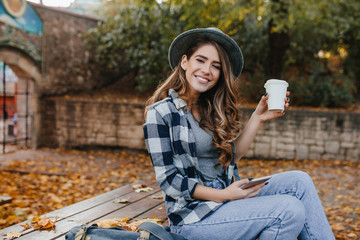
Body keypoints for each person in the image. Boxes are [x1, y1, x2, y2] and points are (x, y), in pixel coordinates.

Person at [143, 27, 335, 240]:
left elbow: (229, 157)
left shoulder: (209, 109)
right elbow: (169, 181)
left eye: (216, 66)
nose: (207, 70)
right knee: (288, 210)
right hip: (193, 217)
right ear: (185, 62)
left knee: (300, 181)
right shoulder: (160, 113)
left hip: (226, 198)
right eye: (201, 60)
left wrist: (258, 117)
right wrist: (224, 195)